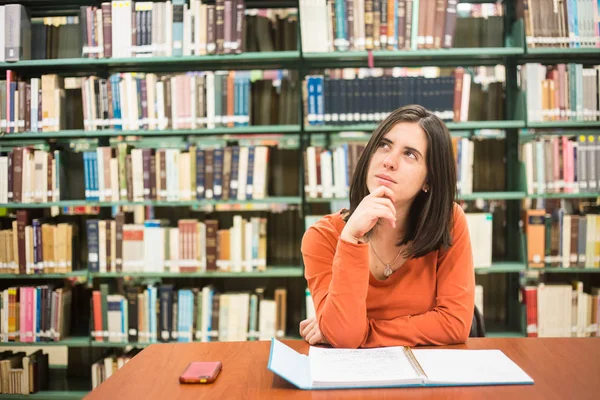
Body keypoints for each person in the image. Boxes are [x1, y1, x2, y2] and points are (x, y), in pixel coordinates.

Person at [299, 104, 475, 349]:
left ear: (429, 180)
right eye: (384, 145)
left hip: (427, 376)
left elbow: (454, 324)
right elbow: (345, 339)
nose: (389, 161)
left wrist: (365, 331)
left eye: (410, 154)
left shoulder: (449, 221)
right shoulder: (322, 237)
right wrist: (351, 238)